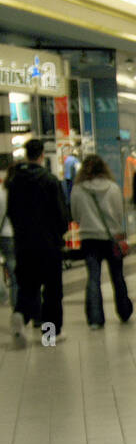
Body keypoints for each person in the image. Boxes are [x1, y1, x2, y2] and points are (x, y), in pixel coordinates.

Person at [7, 139, 69, 339]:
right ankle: (50, 333)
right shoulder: (50, 180)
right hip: (48, 245)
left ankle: (20, 313)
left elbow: (11, 212)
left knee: (28, 285)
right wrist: (60, 232)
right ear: (42, 154)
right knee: (52, 291)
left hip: (24, 244)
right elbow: (60, 215)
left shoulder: (15, 181)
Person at [69, 155, 133, 329]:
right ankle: (124, 311)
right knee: (117, 277)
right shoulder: (113, 188)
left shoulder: (77, 189)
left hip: (89, 239)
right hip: (111, 238)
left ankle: (96, 319)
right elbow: (120, 215)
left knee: (93, 278)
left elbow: (74, 215)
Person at [1, 163, 18, 318]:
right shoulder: (28, 192)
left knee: (14, 274)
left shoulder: (2, 193)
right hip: (26, 236)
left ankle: (17, 310)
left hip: (7, 235)